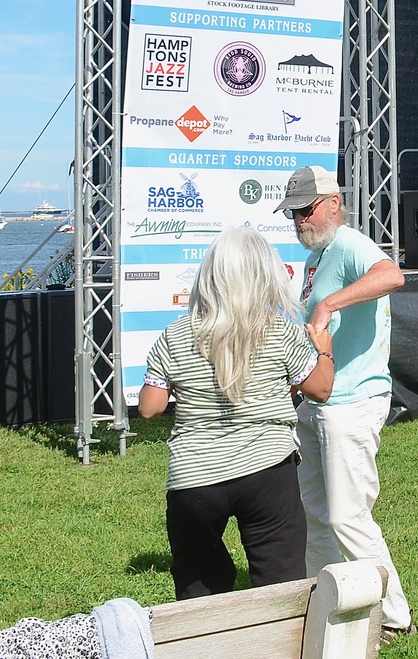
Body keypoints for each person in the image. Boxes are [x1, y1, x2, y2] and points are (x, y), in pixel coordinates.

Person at [138, 227, 335, 600]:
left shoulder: (174, 335)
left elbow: (150, 408)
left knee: (198, 585)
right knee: (280, 585)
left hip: (194, 478)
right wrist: (323, 350)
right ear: (266, 275)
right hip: (268, 471)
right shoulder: (280, 331)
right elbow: (321, 390)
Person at [275, 165, 414, 644]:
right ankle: (323, 601)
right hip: (321, 402)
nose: (299, 220)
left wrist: (331, 303)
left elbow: (392, 275)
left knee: (347, 516)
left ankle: (395, 614)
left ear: (334, 202)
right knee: (314, 511)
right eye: (293, 212)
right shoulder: (319, 255)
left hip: (353, 401)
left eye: (306, 209)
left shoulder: (351, 243)